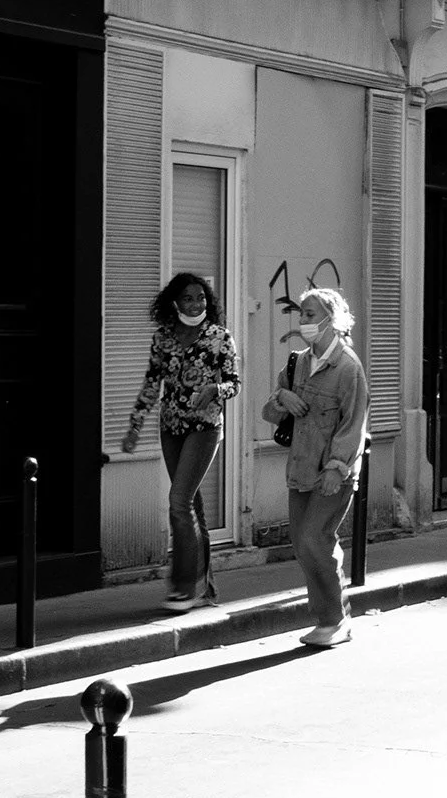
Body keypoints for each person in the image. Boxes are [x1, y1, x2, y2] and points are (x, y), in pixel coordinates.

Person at [123, 272, 240, 612]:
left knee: (178, 501)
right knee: (191, 505)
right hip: (171, 427)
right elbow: (151, 383)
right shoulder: (163, 338)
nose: (196, 304)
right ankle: (204, 587)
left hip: (204, 427)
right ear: (175, 303)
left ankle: (184, 588)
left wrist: (215, 390)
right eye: (189, 298)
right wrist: (134, 427)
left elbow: (234, 382)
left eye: (201, 298)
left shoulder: (219, 337)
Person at [262, 286, 371, 647]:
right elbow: (269, 413)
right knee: (304, 543)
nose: (303, 322)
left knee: (315, 539)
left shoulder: (348, 368)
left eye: (310, 315)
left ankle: (334, 620)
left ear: (333, 320)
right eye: (302, 315)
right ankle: (330, 617)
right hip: (301, 469)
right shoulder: (297, 363)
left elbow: (354, 424)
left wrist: (338, 467)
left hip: (333, 473)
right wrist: (282, 398)